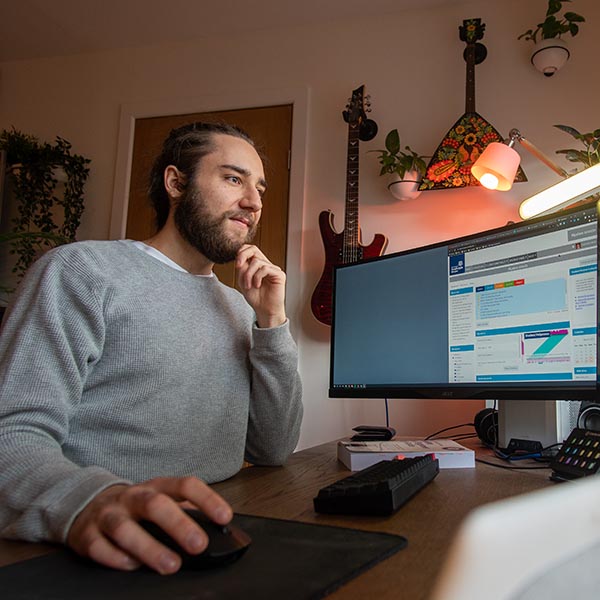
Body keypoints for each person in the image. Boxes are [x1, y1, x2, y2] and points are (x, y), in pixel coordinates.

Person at [0, 121, 303, 575]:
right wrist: (87, 501)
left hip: (217, 533)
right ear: (176, 182)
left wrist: (272, 322)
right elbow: (11, 435)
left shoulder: (242, 311)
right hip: (95, 548)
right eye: (233, 178)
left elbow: (273, 449)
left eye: (260, 187)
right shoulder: (81, 272)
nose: (254, 202)